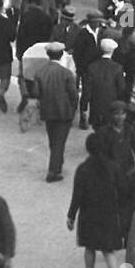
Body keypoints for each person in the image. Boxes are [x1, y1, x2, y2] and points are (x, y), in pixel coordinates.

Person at [67, 132, 125, 268]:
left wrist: (71, 216)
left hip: (89, 213)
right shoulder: (113, 167)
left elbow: (76, 196)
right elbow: (122, 190)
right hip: (109, 212)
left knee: (89, 246)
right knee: (108, 249)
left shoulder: (83, 169)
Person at [38, 42, 78, 182]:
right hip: (64, 111)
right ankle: (54, 170)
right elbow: (74, 94)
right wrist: (73, 109)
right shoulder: (66, 73)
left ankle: (57, 164)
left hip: (48, 110)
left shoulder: (41, 72)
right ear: (61, 54)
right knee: (59, 141)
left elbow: (36, 92)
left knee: (53, 139)